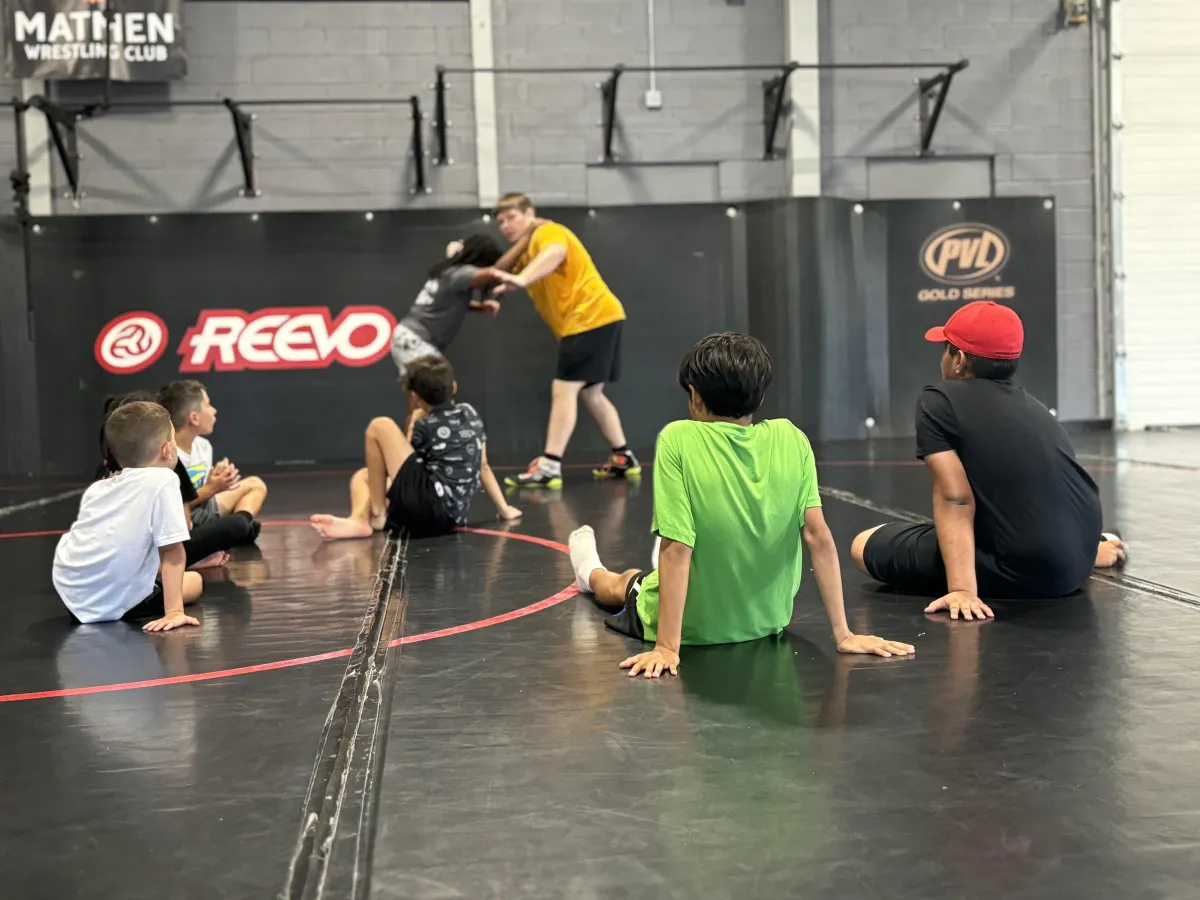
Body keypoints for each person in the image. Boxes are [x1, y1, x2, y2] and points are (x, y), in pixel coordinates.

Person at [567, 332, 916, 678]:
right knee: (653, 574)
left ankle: (588, 570)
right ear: (760, 395)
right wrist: (844, 634)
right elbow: (818, 536)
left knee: (623, 583)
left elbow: (676, 548)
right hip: (767, 623)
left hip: (691, 630)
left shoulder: (677, 437)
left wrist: (667, 647)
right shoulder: (792, 437)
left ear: (694, 395)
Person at [849, 301, 1127, 620]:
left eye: (946, 348)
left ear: (960, 360)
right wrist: (1084, 552)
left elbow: (955, 498)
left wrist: (962, 590)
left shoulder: (938, 401)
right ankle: (1093, 551)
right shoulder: (1035, 408)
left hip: (1027, 571)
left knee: (863, 544)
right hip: (1075, 560)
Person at [493, 192, 640, 487]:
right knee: (590, 393)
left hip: (589, 318)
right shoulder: (525, 251)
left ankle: (550, 464)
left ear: (529, 213)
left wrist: (522, 280)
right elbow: (501, 273)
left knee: (564, 389)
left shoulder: (548, 232)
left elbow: (556, 252)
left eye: (512, 217)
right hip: (603, 317)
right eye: (501, 221)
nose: (506, 225)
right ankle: (623, 457)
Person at [311, 355, 522, 540]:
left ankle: (376, 515)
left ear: (414, 396)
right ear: (454, 387)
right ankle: (359, 519)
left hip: (428, 510)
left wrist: (413, 421)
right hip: (452, 517)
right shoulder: (470, 413)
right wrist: (504, 509)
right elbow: (483, 467)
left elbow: (403, 472)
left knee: (379, 426)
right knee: (363, 476)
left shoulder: (424, 424)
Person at [54, 400, 203, 632]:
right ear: (167, 450)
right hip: (112, 603)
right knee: (195, 581)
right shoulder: (164, 479)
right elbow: (172, 550)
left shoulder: (99, 488)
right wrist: (174, 612)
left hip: (73, 596)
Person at [96, 391, 256, 570]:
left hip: (127, 557)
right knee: (236, 527)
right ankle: (180, 564)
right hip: (150, 556)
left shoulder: (106, 470)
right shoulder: (166, 465)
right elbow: (181, 527)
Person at [390, 232, 535, 381]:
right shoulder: (461, 273)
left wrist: (479, 307)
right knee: (439, 388)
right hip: (416, 340)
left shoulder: (450, 270)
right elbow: (494, 272)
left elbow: (446, 303)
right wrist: (526, 238)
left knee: (419, 391)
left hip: (406, 337)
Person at [157, 380, 267, 537]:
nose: (214, 411)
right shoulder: (167, 455)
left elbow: (204, 488)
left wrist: (219, 477)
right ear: (194, 418)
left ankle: (242, 527)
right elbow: (175, 505)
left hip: (203, 508)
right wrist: (212, 488)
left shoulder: (203, 446)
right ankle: (234, 529)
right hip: (180, 519)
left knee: (255, 485)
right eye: (208, 405)